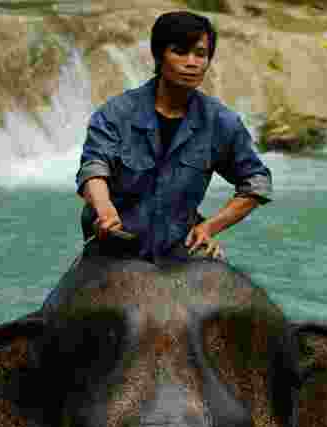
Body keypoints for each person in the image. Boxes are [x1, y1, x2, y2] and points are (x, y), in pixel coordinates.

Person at [76, 10, 273, 263]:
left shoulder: (222, 123)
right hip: (115, 244)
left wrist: (209, 228)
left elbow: (257, 182)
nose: (192, 62)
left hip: (178, 246)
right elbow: (93, 168)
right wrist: (104, 209)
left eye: (200, 54)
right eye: (180, 52)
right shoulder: (116, 113)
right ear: (159, 56)